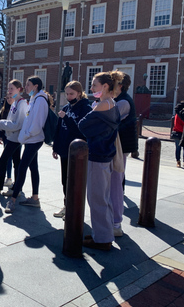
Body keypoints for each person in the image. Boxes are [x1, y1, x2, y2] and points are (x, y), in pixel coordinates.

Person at [78, 71, 121, 250]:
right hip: (107, 155)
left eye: (94, 85)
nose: (91, 88)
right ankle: (103, 233)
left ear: (105, 87)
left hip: (98, 155)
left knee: (97, 198)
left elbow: (82, 125)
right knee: (103, 197)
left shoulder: (102, 105)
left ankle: (102, 239)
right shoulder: (113, 103)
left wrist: (94, 109)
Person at [5, 76, 49, 213]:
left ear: (36, 86)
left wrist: (26, 134)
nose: (26, 87)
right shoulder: (34, 99)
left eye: (28, 84)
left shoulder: (40, 100)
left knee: (23, 167)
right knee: (33, 167)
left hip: (34, 140)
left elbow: (37, 123)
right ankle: (35, 198)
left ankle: (12, 200)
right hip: (30, 139)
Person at [52, 80, 92, 219]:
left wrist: (67, 118)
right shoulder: (67, 107)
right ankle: (67, 205)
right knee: (65, 180)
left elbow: (81, 130)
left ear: (79, 93)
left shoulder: (86, 108)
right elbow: (59, 128)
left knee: (74, 180)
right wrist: (56, 146)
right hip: (64, 149)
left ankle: (73, 208)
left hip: (77, 151)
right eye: (67, 94)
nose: (69, 97)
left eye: (72, 94)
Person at [111, 71, 137, 237]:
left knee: (116, 182)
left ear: (119, 85)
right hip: (118, 144)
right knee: (116, 181)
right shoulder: (119, 100)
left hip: (120, 146)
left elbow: (108, 120)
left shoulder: (123, 102)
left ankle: (116, 223)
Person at [0, 79, 28, 196]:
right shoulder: (15, 103)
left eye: (12, 88)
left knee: (3, 161)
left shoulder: (21, 103)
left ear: (19, 89)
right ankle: (16, 188)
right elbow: (12, 121)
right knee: (16, 162)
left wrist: (1, 124)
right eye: (8, 88)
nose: (9, 91)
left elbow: (18, 124)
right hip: (12, 137)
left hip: (15, 138)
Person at [0, 94, 13, 186]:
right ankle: (9, 177)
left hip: (11, 136)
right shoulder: (4, 111)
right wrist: (0, 136)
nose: (9, 100)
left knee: (10, 158)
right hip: (6, 136)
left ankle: (9, 177)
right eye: (8, 98)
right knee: (8, 158)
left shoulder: (14, 109)